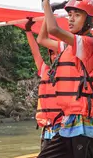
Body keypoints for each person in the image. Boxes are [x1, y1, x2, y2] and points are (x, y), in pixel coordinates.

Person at [30, 0, 93, 158]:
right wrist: (49, 13)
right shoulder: (68, 47)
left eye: (76, 15)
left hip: (84, 123)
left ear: (89, 21)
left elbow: (54, 31)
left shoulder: (88, 44)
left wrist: (45, 0)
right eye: (69, 15)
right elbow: (42, 39)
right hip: (68, 123)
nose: (70, 19)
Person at [24, 19, 64, 151]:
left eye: (57, 53)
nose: (54, 56)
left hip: (63, 127)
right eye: (52, 53)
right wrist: (28, 31)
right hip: (47, 128)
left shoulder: (70, 72)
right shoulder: (45, 70)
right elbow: (35, 51)